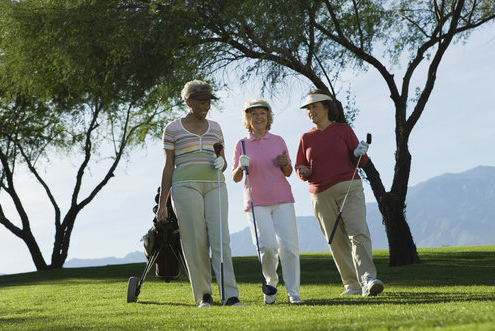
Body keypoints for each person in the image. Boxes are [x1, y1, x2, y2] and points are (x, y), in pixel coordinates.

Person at [156, 80, 243, 307]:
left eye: (208, 102)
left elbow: (223, 164)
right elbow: (168, 166)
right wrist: (163, 204)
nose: (206, 105)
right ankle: (204, 295)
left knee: (220, 238)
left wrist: (221, 162)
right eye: (201, 101)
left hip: (215, 184)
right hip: (185, 185)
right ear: (188, 102)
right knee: (195, 241)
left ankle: (230, 295)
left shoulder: (215, 127)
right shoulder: (173, 129)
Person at [294, 89, 384, 297]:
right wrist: (303, 171)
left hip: (349, 187)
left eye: (314, 107)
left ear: (326, 107)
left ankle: (368, 279)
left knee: (358, 232)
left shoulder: (343, 130)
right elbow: (301, 166)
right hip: (320, 193)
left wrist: (359, 153)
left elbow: (360, 162)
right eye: (308, 109)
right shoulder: (305, 138)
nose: (310, 112)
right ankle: (352, 285)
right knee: (335, 240)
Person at [232, 99, 302, 305]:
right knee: (268, 248)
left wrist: (285, 164)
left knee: (289, 247)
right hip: (256, 202)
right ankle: (271, 284)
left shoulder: (278, 140)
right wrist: (240, 167)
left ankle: (293, 292)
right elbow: (236, 177)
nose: (258, 117)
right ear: (248, 119)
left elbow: (288, 171)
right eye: (253, 114)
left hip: (282, 199)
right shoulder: (242, 144)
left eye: (262, 113)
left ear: (268, 117)